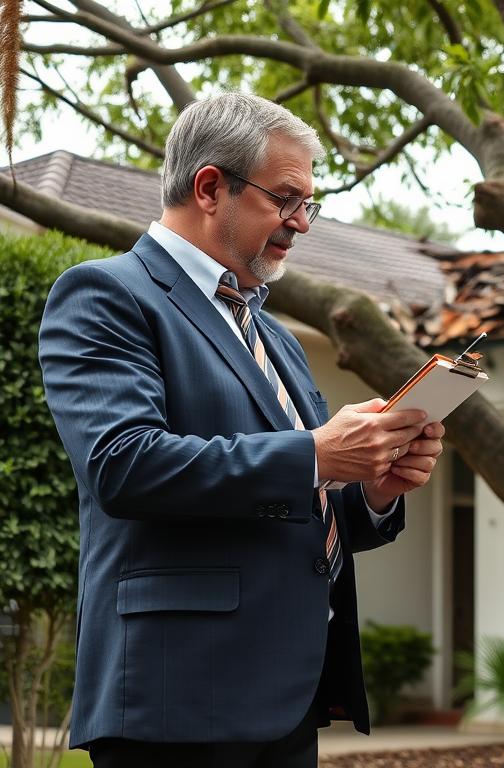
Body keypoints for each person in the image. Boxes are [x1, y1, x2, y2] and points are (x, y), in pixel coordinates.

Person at [38, 92, 444, 768]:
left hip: (287, 699)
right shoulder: (107, 296)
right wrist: (317, 454)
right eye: (287, 199)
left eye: (309, 204)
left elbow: (301, 496)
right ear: (209, 187)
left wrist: (373, 485)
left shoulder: (277, 340)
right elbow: (124, 464)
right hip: (177, 700)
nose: (302, 223)